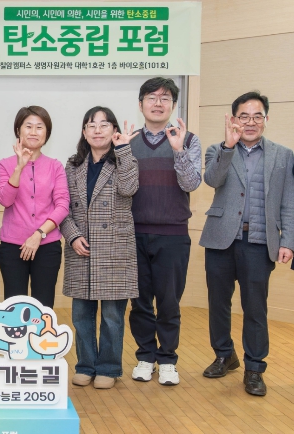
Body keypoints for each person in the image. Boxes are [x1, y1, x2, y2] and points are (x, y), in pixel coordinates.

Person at [200, 91, 294, 396]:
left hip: (259, 242)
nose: (250, 122)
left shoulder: (284, 155)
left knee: (255, 308)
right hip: (220, 240)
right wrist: (228, 146)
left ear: (266, 119)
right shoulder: (217, 149)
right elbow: (212, 180)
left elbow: (289, 202)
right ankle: (224, 355)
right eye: (244, 116)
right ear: (233, 120)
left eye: (257, 116)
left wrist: (288, 241)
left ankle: (254, 368)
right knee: (218, 303)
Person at [128, 77, 202, 386]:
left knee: (169, 302)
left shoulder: (188, 139)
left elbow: (191, 184)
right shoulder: (128, 141)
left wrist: (178, 151)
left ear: (173, 105)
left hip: (173, 234)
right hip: (133, 233)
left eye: (165, 98)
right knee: (140, 302)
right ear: (141, 103)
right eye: (152, 97)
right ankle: (146, 356)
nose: (158, 103)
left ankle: (168, 359)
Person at [60, 107, 139, 390]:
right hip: (81, 247)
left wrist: (124, 149)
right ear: (84, 132)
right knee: (81, 315)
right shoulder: (73, 165)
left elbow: (129, 189)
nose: (97, 130)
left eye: (104, 124)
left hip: (114, 248)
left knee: (112, 316)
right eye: (91, 125)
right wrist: (72, 236)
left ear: (114, 130)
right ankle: (85, 365)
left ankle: (108, 367)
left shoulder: (125, 160)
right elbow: (62, 206)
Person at [0, 106, 68, 307]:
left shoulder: (55, 166)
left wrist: (39, 234)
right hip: (12, 247)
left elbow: (62, 205)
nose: (33, 132)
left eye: (39, 127)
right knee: (14, 307)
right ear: (18, 130)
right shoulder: (4, 165)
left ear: (47, 133)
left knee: (43, 307)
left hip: (47, 246)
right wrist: (19, 167)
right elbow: (5, 200)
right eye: (28, 126)